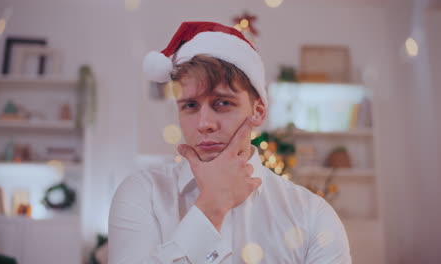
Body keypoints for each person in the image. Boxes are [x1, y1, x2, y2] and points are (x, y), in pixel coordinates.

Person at [108, 21, 351, 264]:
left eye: (222, 103)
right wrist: (212, 206)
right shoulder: (142, 194)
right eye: (190, 106)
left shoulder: (311, 215)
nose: (204, 123)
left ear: (258, 111)